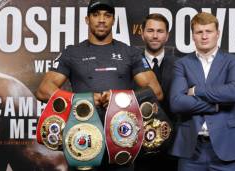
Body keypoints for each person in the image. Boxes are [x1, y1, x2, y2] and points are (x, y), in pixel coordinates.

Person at [35, 0, 163, 170]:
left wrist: (119, 99)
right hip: (82, 141)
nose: (101, 19)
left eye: (107, 15)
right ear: (87, 20)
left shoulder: (130, 53)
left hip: (123, 140)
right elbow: (43, 91)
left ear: (113, 20)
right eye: (96, 15)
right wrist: (83, 100)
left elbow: (156, 92)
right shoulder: (72, 52)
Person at [169, 12, 235, 171]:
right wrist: (215, 105)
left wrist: (196, 90)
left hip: (228, 146)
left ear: (218, 34)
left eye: (208, 31)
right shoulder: (182, 64)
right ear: (193, 36)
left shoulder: (234, 61)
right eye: (199, 32)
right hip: (191, 148)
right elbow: (177, 103)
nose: (204, 36)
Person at [134, 13, 177, 171]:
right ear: (142, 33)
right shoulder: (130, 63)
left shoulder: (180, 65)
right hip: (136, 143)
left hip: (171, 144)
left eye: (160, 31)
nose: (155, 36)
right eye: (150, 30)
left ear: (167, 36)